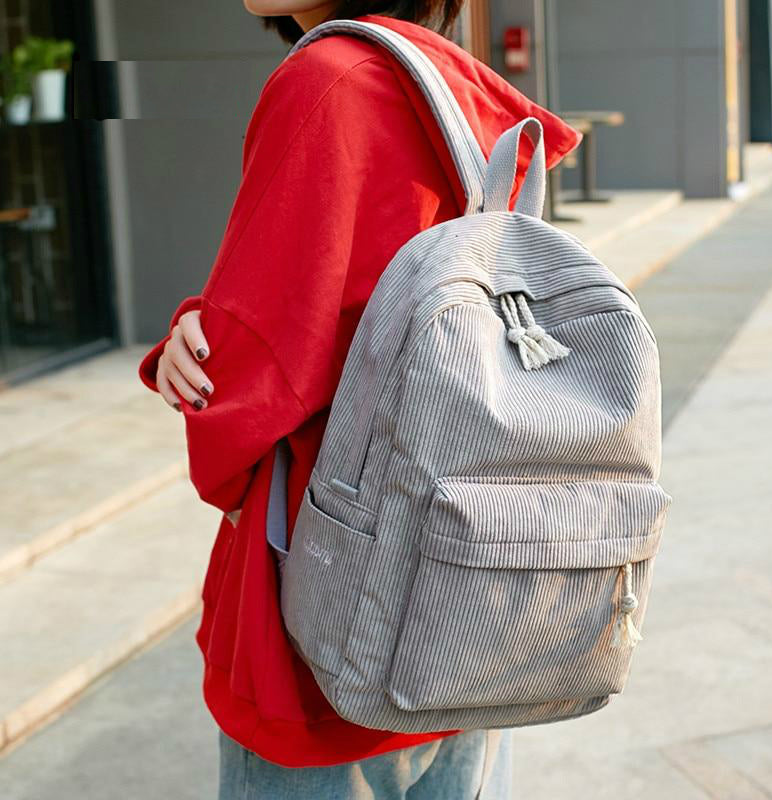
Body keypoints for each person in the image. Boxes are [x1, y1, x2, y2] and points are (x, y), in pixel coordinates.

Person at [138, 2, 580, 797]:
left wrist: (200, 350)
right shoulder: (452, 89)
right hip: (469, 603)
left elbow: (253, 373)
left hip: (335, 624)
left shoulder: (325, 81)